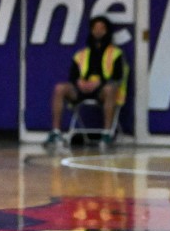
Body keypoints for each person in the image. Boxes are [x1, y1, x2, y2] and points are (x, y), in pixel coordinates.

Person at [44, 15, 128, 147]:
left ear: (107, 31)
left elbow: (117, 76)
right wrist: (79, 82)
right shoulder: (81, 54)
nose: (98, 31)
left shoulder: (116, 53)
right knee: (60, 88)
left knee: (110, 89)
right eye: (95, 28)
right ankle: (56, 132)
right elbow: (73, 76)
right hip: (82, 89)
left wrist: (99, 82)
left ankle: (107, 134)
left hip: (102, 90)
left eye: (102, 28)